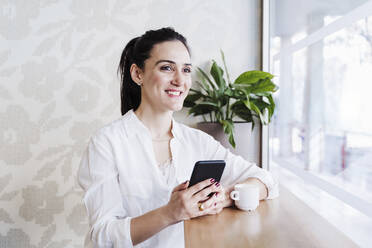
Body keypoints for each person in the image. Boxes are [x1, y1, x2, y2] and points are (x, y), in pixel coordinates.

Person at [78, 27, 278, 248]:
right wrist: (170, 213)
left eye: (186, 70)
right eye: (167, 68)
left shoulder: (198, 142)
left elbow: (266, 181)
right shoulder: (106, 143)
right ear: (138, 74)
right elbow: (103, 235)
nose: (179, 80)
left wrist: (225, 197)